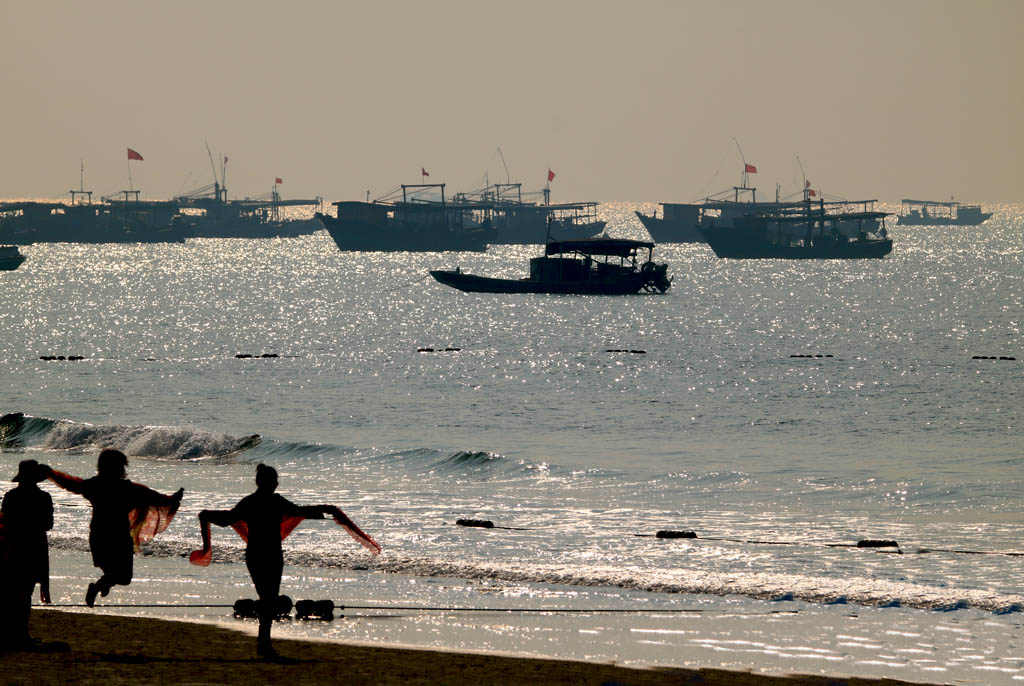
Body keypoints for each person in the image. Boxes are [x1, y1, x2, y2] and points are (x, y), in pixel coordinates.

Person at [192, 464, 380, 657]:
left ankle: (264, 645)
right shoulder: (274, 502)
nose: (276, 484)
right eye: (274, 481)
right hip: (270, 555)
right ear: (269, 483)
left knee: (268, 599)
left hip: (256, 555)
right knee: (268, 599)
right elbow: (299, 511)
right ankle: (264, 646)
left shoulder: (249, 502)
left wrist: (207, 515)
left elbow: (227, 520)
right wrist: (324, 510)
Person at [45, 449, 183, 607]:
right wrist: (174, 498)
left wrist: (50, 473)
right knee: (124, 577)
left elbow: (70, 483)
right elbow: (157, 499)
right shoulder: (128, 489)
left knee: (116, 574)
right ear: (120, 468)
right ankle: (99, 586)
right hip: (119, 538)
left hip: (100, 536)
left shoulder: (94, 486)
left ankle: (101, 585)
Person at [1, 460, 54, 650]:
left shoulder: (10, 496)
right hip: (34, 547)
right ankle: (21, 634)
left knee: (11, 590)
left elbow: (4, 521)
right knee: (25, 591)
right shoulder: (44, 498)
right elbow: (48, 524)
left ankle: (12, 634)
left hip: (13, 545)